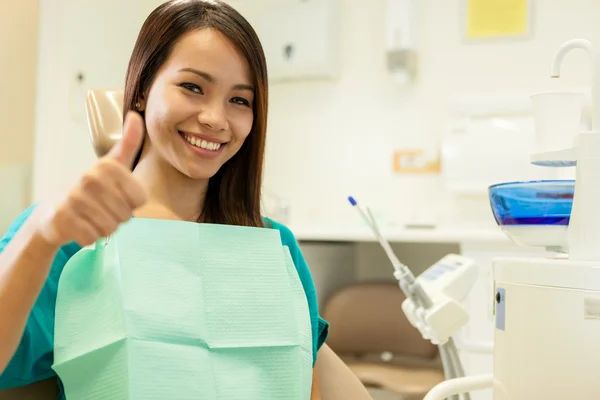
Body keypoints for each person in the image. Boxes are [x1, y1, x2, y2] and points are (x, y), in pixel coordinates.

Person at [0, 0, 372, 399]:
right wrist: (40, 236)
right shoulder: (73, 233)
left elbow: (307, 379)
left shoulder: (271, 245)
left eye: (240, 100)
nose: (215, 118)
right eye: (193, 87)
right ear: (141, 90)